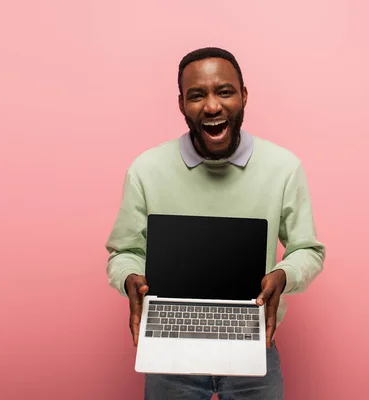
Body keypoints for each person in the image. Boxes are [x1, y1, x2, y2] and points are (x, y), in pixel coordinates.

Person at [105, 47, 326, 400]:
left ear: (244, 95)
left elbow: (307, 250)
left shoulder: (284, 168)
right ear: (181, 104)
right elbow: (124, 251)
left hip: (254, 340)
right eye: (197, 95)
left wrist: (285, 276)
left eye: (224, 91)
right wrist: (130, 277)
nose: (211, 106)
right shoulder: (146, 170)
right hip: (171, 347)